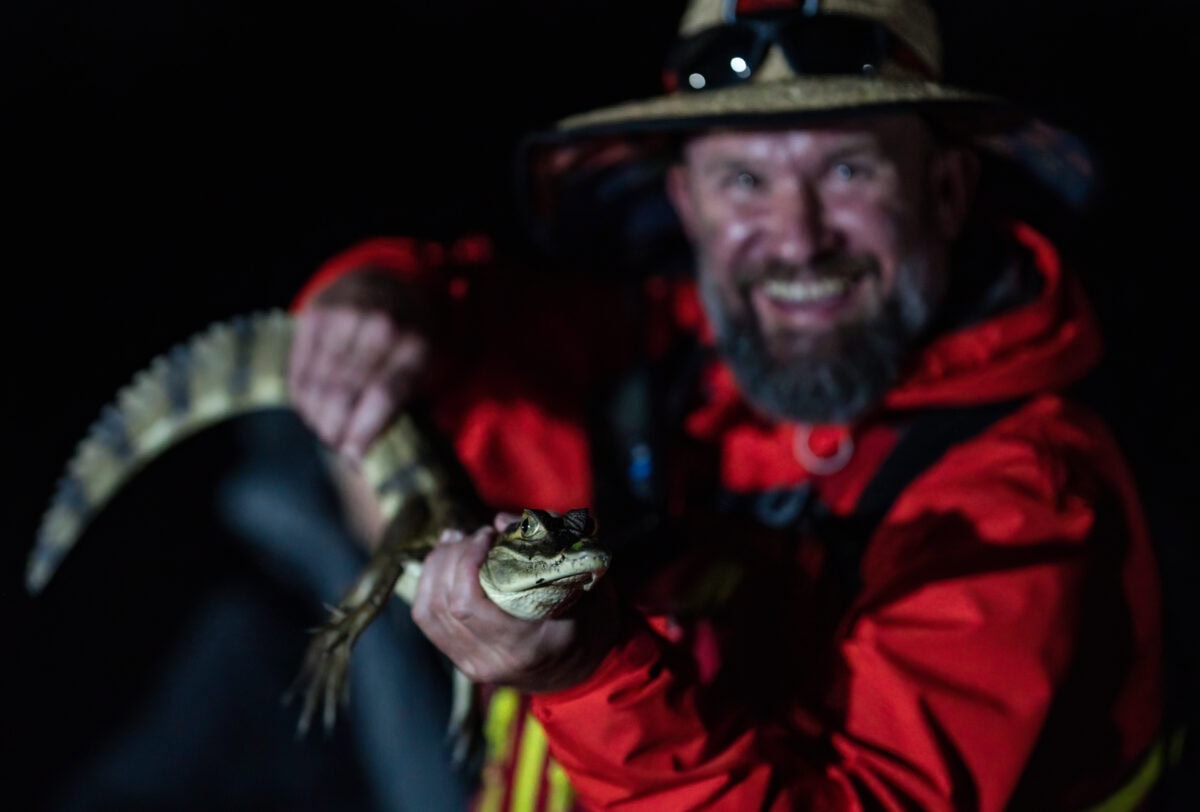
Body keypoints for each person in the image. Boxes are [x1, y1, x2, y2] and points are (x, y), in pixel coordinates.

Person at [287, 0, 1173, 809]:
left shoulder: (1027, 497)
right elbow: (454, 326)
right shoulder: (672, 352)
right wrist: (378, 290)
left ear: (946, 193)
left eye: (849, 170)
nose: (796, 239)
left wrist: (590, 679)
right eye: (745, 181)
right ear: (686, 201)